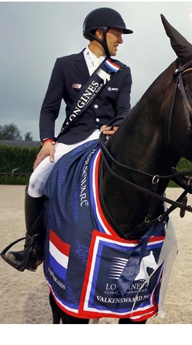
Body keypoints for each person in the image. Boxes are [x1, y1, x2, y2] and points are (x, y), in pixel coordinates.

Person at [1, 7, 134, 273]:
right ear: (99, 33)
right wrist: (47, 140)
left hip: (107, 140)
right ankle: (34, 247)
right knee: (36, 179)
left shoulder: (122, 71)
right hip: (72, 139)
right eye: (117, 33)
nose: (121, 40)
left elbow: (123, 111)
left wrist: (117, 127)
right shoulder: (65, 65)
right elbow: (49, 108)